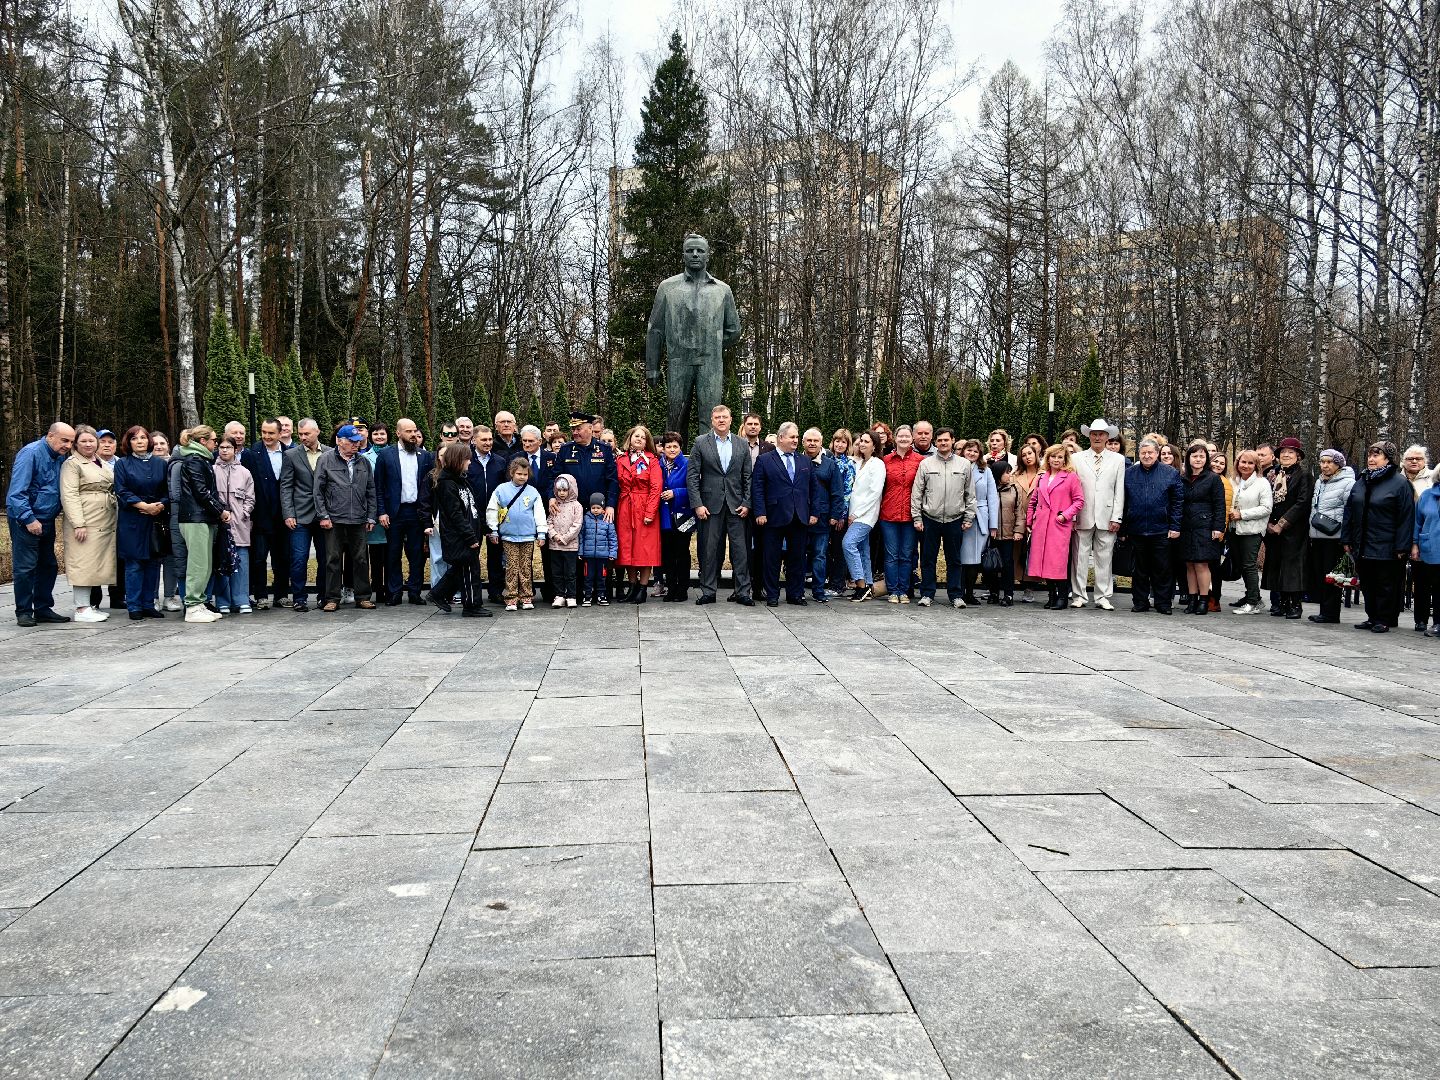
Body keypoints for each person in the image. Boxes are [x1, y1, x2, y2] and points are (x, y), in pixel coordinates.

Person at [7, 422, 76, 626]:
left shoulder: (59, 457)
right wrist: (29, 519)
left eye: (71, 442)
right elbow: (17, 493)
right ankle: (24, 611)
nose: (68, 445)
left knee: (48, 565)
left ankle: (43, 608)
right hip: (26, 520)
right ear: (50, 436)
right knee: (26, 567)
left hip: (46, 519)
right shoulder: (31, 453)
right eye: (64, 440)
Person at [1342, 441, 1415, 633]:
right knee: (1367, 582)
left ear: (1388, 459)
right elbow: (1349, 511)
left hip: (1387, 544)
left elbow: (1406, 517)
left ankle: (1385, 618)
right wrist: (1347, 539)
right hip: (1362, 542)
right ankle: (1372, 616)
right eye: (1369, 456)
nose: (1371, 459)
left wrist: (1402, 546)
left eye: (1376, 455)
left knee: (1385, 583)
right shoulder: (1362, 480)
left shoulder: (1400, 483)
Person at [687, 404, 754, 606]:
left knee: (740, 551)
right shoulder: (700, 442)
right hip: (709, 506)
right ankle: (708, 591)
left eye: (725, 417)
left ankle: (742, 591)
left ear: (731, 420)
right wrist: (697, 504)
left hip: (737, 506)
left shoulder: (742, 444)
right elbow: (692, 477)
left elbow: (747, 477)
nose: (721, 420)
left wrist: (747, 502)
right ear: (712, 420)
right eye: (717, 417)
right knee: (709, 550)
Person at [750, 422, 819, 607]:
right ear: (781, 438)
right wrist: (760, 512)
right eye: (792, 437)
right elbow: (757, 488)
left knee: (797, 558)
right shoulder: (765, 460)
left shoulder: (804, 461)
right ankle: (772, 595)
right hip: (773, 516)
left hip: (799, 516)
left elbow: (813, 489)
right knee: (771, 558)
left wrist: (814, 512)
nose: (796, 440)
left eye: (797, 437)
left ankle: (795, 594)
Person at [911, 427, 978, 609]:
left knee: (954, 559)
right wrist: (917, 517)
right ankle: (927, 593)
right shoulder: (926, 464)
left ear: (952, 441)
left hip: (955, 519)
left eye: (946, 440)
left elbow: (970, 494)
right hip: (929, 518)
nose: (942, 443)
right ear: (936, 442)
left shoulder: (964, 465)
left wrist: (968, 517)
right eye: (939, 440)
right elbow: (917, 492)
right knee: (927, 558)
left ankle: (956, 595)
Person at [314, 424, 378, 612]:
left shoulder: (363, 462)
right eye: (351, 442)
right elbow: (318, 491)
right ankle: (332, 598)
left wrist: (371, 516)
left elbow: (371, 491)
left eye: (357, 442)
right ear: (339, 441)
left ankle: (363, 596)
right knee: (332, 559)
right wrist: (323, 515)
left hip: (358, 519)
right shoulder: (325, 460)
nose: (355, 445)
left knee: (361, 559)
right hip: (333, 518)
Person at [58, 425, 117, 623]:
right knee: (83, 562)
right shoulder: (72, 464)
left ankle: (89, 605)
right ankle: (81, 608)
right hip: (86, 518)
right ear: (76, 443)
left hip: (104, 518)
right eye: (83, 441)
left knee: (95, 562)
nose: (88, 444)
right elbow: (69, 494)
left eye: (91, 440)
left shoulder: (99, 461)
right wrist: (78, 523)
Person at [425, 440, 490, 617]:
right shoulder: (447, 484)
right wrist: (469, 537)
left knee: (463, 568)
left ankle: (438, 594)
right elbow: (455, 515)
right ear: (457, 460)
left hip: (469, 533)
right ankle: (471, 606)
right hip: (459, 536)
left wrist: (483, 528)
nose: (470, 462)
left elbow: (472, 508)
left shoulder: (462, 481)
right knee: (469, 569)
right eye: (467, 459)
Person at [1069, 418, 1126, 610]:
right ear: (1089, 436)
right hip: (1083, 514)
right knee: (1079, 557)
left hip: (1107, 514)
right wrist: (1073, 515)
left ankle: (1102, 596)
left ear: (1107, 437)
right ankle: (1079, 595)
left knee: (1105, 557)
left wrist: (1116, 517)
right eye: (1094, 434)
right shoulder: (1077, 458)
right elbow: (1073, 489)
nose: (1097, 437)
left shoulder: (1118, 460)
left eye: (1101, 434)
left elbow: (1120, 491)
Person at [175, 426, 231, 624]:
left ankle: (199, 603)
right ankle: (192, 605)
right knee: (198, 564)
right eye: (213, 440)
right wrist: (221, 510)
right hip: (194, 518)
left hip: (203, 518)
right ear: (202, 441)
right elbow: (202, 492)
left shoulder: (201, 461)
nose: (216, 444)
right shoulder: (194, 461)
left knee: (205, 563)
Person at [374, 418, 433, 606]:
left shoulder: (424, 456)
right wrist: (381, 512)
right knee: (392, 553)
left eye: (415, 431)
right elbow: (379, 486)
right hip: (394, 512)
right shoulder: (386, 455)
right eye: (408, 431)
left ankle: (415, 592)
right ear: (398, 433)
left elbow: (429, 486)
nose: (413, 435)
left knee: (417, 554)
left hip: (416, 511)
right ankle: (395, 592)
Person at [1122, 438, 1184, 614]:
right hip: (1137, 528)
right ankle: (1140, 602)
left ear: (1157, 454)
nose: (1147, 456)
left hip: (1162, 529)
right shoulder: (1129, 473)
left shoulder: (1170, 473)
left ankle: (1163, 603)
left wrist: (1175, 526)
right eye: (1143, 453)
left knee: (1162, 569)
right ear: (1139, 454)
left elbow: (1178, 502)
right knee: (1139, 569)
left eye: (1150, 452)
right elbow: (1124, 502)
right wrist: (1124, 528)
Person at [113, 426, 168, 620]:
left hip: (155, 518)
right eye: (134, 438)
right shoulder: (122, 464)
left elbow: (167, 490)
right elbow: (121, 490)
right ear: (128, 442)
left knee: (153, 563)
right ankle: (134, 605)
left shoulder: (160, 464)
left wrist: (159, 505)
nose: (140, 441)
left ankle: (148, 604)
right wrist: (143, 505)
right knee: (134, 564)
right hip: (132, 519)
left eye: (143, 438)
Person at [1027, 445, 1085, 610]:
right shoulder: (1042, 477)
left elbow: (1079, 501)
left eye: (1060, 457)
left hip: (1058, 524)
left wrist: (1065, 515)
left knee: (1057, 562)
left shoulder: (1071, 477)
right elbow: (1034, 501)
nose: (1056, 460)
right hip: (1041, 525)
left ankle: (1062, 597)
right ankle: (1051, 596)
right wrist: (1030, 521)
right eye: (1053, 457)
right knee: (1044, 562)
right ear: (1048, 458)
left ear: (1065, 459)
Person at [486, 456, 547, 612]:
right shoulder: (501, 490)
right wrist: (493, 529)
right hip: (509, 536)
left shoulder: (532, 492)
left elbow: (539, 512)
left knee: (526, 567)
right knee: (512, 567)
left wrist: (541, 533)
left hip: (527, 536)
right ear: (512, 473)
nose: (522, 477)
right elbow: (493, 509)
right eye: (519, 474)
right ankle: (511, 597)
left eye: (525, 474)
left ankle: (526, 596)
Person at [1262, 436, 1312, 619]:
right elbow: (1265, 499)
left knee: (1292, 569)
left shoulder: (1304, 475)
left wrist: (1282, 524)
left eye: (1291, 452)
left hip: (1294, 530)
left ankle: (1295, 605)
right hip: (1271, 528)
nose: (1286, 455)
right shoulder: (1271, 475)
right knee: (1276, 566)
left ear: (1298, 456)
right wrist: (1268, 523)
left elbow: (1302, 503)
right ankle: (1281, 603)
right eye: (1283, 452)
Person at [280, 419, 326, 612]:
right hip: (300, 516)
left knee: (326, 559)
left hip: (324, 515)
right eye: (300, 434)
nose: (303, 437)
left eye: (307, 434)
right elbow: (286, 486)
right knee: (299, 558)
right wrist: (288, 513)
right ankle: (299, 597)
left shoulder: (331, 453)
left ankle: (325, 596)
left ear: (317, 432)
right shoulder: (291, 455)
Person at [241, 418, 288, 610]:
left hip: (284, 516)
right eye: (264, 432)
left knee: (283, 557)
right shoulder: (252, 454)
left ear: (280, 434)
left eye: (271, 433)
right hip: (261, 516)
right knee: (259, 558)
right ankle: (261, 595)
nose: (267, 436)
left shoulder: (289, 453)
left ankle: (282, 595)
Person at [1304, 448, 1354, 624]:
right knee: (1321, 574)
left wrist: (1346, 536)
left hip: (1334, 536)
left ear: (1338, 464)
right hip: (1317, 534)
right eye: (1322, 462)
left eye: (1329, 462)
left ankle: (1331, 613)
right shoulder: (1319, 482)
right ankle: (1324, 610)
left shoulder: (1348, 483)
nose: (1325, 466)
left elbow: (1350, 510)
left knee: (1332, 576)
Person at [615, 424, 663, 604]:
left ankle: (642, 589)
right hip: (625, 507)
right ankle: (632, 586)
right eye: (636, 436)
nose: (639, 439)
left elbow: (656, 487)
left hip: (644, 507)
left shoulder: (653, 461)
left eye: (643, 437)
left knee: (644, 550)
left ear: (647, 442)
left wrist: (650, 512)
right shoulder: (620, 460)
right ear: (629, 438)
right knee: (627, 548)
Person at [1177, 443, 1226, 615]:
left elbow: (1220, 505)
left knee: (1201, 564)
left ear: (1206, 459)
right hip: (1185, 526)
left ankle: (1204, 600)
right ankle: (1192, 599)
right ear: (1188, 458)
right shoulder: (1182, 478)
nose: (1198, 459)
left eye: (1201, 456)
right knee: (1189, 564)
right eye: (1194, 456)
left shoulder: (1213, 478)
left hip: (1205, 526)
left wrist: (1218, 527)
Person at [878, 424, 922, 604]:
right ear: (895, 439)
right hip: (889, 514)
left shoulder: (920, 461)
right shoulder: (885, 460)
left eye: (907, 436)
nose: (903, 439)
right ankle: (892, 590)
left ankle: (903, 590)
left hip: (911, 515)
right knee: (891, 555)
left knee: (906, 555)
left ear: (912, 439)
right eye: (900, 436)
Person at [466, 425, 510, 604]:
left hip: (495, 516)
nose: (488, 443)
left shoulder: (500, 461)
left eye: (490, 439)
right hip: (473, 516)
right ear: (474, 440)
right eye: (484, 440)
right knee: (472, 554)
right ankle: (473, 593)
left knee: (496, 555)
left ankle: (496, 591)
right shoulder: (466, 459)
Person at [211, 437, 255, 614]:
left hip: (240, 524)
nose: (224, 451)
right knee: (222, 562)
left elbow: (250, 498)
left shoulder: (244, 472)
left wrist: (244, 513)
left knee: (241, 562)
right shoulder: (212, 470)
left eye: (228, 447)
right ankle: (223, 600)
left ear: (235, 450)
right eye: (221, 447)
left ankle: (242, 599)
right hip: (220, 522)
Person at [839, 431, 885, 601]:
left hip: (866, 515)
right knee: (863, 550)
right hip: (853, 513)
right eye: (861, 441)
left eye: (866, 441)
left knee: (848, 544)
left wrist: (857, 513)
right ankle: (869, 585)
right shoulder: (857, 462)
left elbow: (875, 493)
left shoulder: (877, 464)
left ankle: (860, 584)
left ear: (874, 446)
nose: (862, 444)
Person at [1228, 450, 1274, 615]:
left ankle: (1252, 603)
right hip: (1233, 529)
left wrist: (1243, 514)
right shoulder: (1233, 481)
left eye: (1250, 463)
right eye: (1243, 462)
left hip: (1251, 530)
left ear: (1256, 466)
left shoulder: (1262, 483)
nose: (1245, 466)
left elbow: (1267, 508)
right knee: (1241, 565)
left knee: (1249, 565)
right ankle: (1253, 596)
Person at [801, 427, 844, 603]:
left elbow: (837, 492)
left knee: (820, 555)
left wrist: (835, 514)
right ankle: (797, 589)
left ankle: (818, 591)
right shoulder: (796, 461)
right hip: (800, 516)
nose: (812, 443)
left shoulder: (830, 464)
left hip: (823, 518)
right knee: (799, 554)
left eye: (815, 441)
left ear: (821, 443)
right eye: (809, 440)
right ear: (803, 442)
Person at [958, 438, 1000, 605]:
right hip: (960, 516)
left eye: (975, 451)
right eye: (969, 450)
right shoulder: (957, 467)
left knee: (975, 557)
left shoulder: (985, 471)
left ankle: (969, 593)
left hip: (980, 518)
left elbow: (992, 497)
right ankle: (959, 592)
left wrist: (993, 524)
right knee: (961, 557)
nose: (972, 453)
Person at [518, 425, 558, 600]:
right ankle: (527, 589)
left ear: (540, 442)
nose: (527, 444)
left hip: (548, 510)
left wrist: (550, 497)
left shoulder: (551, 458)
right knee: (524, 553)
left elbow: (554, 480)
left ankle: (551, 589)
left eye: (531, 441)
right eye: (524, 441)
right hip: (524, 511)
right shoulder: (516, 458)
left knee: (548, 552)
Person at [658, 432, 694, 602]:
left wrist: (676, 493)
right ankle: (671, 587)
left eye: (675, 446)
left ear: (680, 448)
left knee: (682, 552)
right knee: (668, 553)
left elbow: (694, 489)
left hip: (683, 514)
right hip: (664, 515)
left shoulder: (687, 464)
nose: (672, 449)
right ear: (663, 449)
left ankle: (682, 588)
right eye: (668, 446)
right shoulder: (658, 465)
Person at [826, 429, 856, 596]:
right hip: (825, 512)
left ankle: (838, 584)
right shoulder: (827, 460)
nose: (839, 444)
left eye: (843, 442)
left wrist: (841, 516)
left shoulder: (848, 464)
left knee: (838, 550)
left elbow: (847, 492)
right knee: (824, 549)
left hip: (839, 514)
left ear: (848, 445)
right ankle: (831, 580)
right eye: (837, 441)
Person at [1204, 450, 1235, 612]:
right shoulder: (1205, 478)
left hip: (1215, 531)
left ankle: (1214, 599)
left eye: (1222, 463)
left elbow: (1224, 510)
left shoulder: (1224, 483)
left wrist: (1220, 531)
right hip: (1202, 529)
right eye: (1215, 461)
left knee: (1213, 567)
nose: (1217, 465)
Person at [1012, 442, 1042, 602]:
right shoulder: (1015, 475)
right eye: (1023, 455)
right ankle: (1014, 582)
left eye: (1029, 453)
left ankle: (1029, 587)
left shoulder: (1045, 473)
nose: (1027, 457)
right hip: (1018, 518)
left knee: (1033, 553)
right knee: (1017, 552)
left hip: (1038, 519)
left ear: (1036, 454)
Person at [547, 474, 583, 607]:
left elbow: (577, 525)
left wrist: (565, 537)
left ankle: (571, 595)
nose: (562, 493)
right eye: (559, 490)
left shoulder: (576, 506)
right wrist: (554, 536)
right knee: (557, 572)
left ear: (571, 489)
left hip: (570, 546)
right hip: (555, 545)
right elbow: (549, 522)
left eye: (565, 490)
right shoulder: (555, 504)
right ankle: (559, 595)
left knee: (570, 573)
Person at [580, 492, 618, 605]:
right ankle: (587, 596)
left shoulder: (607, 520)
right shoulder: (586, 519)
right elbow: (581, 536)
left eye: (598, 507)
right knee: (588, 577)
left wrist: (612, 553)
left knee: (601, 577)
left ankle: (601, 595)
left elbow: (612, 538)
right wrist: (580, 552)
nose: (595, 510)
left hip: (603, 556)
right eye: (593, 507)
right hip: (588, 555)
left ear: (603, 508)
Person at [1414, 472, 1440, 635]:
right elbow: (1417, 522)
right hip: (1430, 547)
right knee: (1431, 586)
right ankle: (1430, 622)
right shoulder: (1427, 495)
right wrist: (1414, 544)